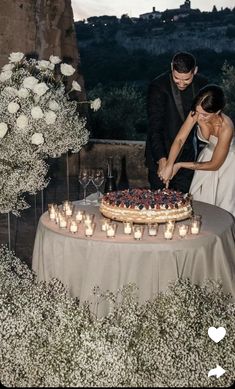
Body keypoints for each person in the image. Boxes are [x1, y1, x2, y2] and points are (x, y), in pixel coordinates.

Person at [158, 84, 235, 217]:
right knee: (199, 202)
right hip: (206, 157)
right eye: (197, 112)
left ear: (217, 111)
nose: (199, 118)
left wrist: (180, 165)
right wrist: (169, 165)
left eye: (204, 115)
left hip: (227, 164)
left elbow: (215, 165)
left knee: (224, 209)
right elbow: (180, 140)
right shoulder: (197, 112)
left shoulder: (226, 127)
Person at [145, 51, 208, 193]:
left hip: (188, 156)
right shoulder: (158, 86)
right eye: (176, 78)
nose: (181, 83)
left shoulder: (203, 84)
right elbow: (155, 127)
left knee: (183, 203)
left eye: (186, 79)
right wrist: (162, 160)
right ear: (171, 67)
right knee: (159, 204)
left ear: (195, 71)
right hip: (161, 154)